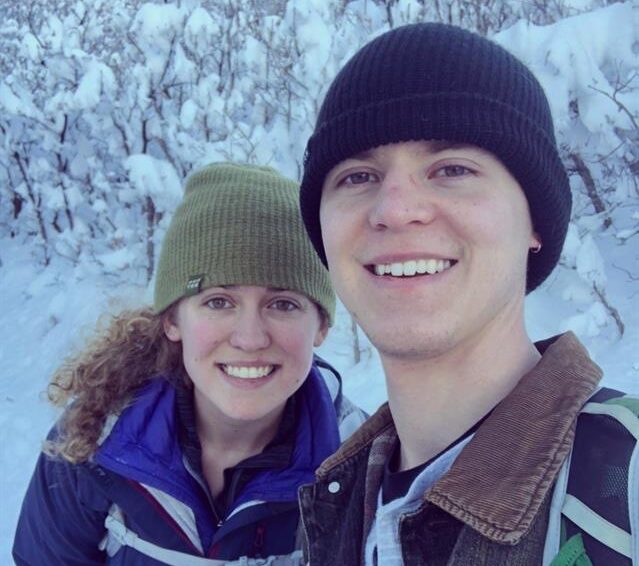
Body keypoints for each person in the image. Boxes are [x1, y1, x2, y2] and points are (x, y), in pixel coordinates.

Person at [297, 23, 638, 566]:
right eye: (358, 177)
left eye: (452, 169)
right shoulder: (334, 504)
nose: (394, 209)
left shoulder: (627, 480)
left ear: (534, 222)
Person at [13, 162, 365, 565]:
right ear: (172, 319)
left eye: (282, 304)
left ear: (320, 325)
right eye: (219, 302)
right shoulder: (92, 442)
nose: (249, 338)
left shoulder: (362, 468)